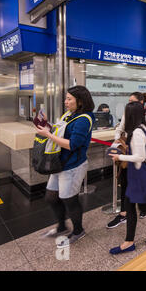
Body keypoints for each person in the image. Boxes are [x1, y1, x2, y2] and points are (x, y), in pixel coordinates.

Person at [37, 86, 95, 247]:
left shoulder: (84, 119)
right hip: (59, 163)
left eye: (69, 99)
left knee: (69, 199)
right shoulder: (69, 114)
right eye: (66, 98)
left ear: (80, 101)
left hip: (72, 166)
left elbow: (72, 144)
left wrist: (48, 135)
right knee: (51, 196)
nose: (66, 102)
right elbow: (60, 131)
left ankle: (78, 230)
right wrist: (47, 127)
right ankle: (61, 226)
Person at [108, 102, 146, 254]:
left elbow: (140, 156)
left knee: (142, 206)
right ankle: (129, 241)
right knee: (132, 206)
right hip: (138, 174)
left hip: (139, 175)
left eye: (126, 114)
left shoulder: (138, 132)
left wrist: (119, 156)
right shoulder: (144, 126)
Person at [108, 92, 146, 229]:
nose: (129, 104)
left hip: (139, 158)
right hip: (128, 157)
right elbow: (120, 129)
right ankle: (124, 214)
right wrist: (117, 139)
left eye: (132, 101)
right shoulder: (126, 115)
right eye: (128, 101)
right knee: (126, 185)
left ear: (140, 103)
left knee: (139, 188)